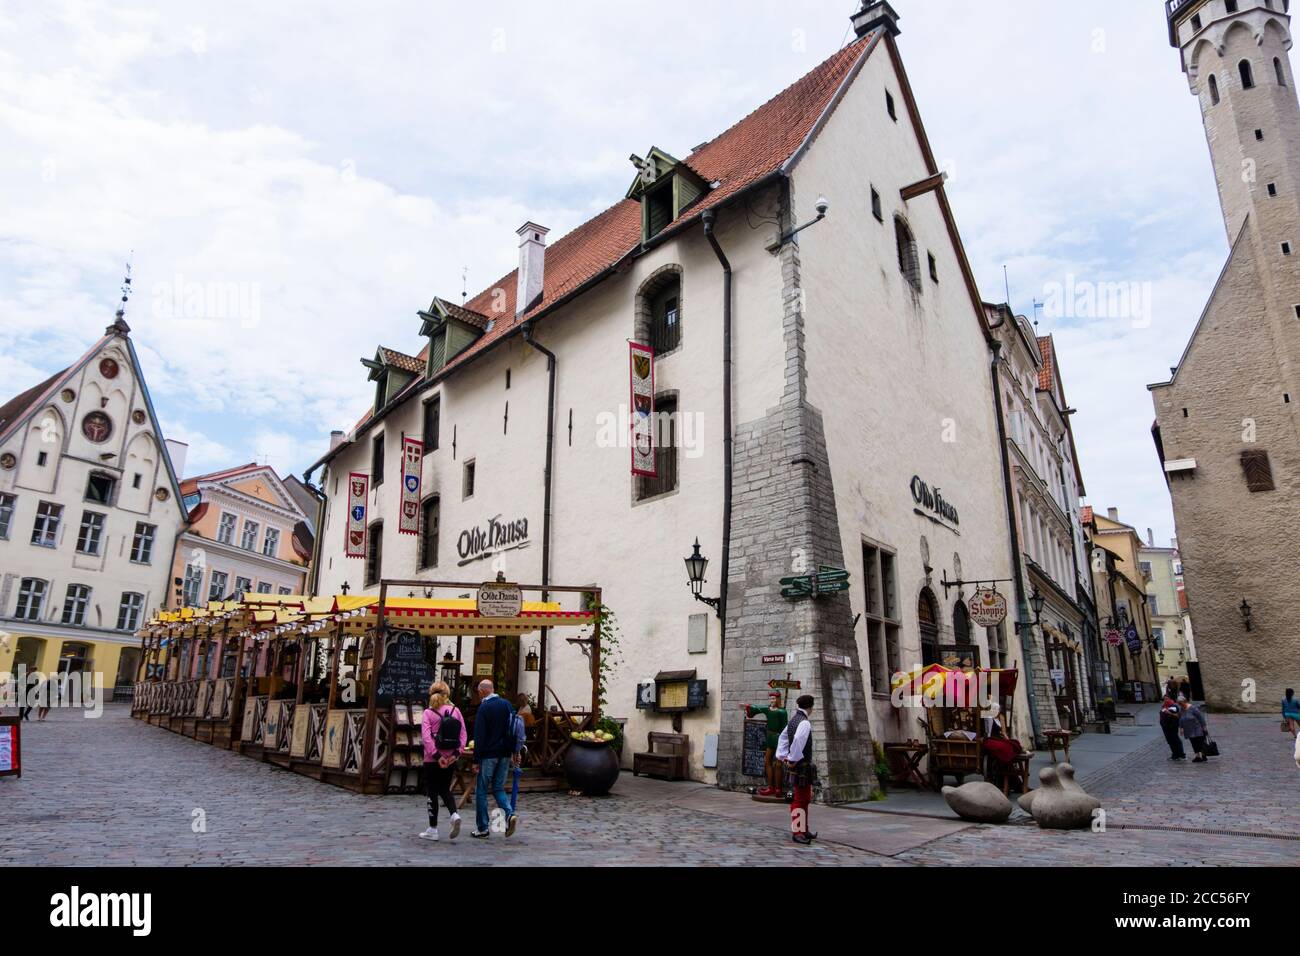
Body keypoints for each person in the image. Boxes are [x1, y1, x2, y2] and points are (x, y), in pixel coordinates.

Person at [470, 679, 520, 839]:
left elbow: (480, 735)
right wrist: (514, 751)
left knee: (481, 790)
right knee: (498, 788)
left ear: (482, 691)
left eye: (478, 692)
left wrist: (476, 759)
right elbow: (514, 729)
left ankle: (483, 828)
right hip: (505, 753)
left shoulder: (484, 708)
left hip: (488, 755)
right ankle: (509, 814)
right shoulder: (506, 705)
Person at [419, 681, 466, 842]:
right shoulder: (455, 711)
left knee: (432, 791)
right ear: (447, 694)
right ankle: (454, 814)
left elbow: (426, 737)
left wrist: (437, 756)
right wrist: (455, 754)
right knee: (445, 789)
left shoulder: (428, 712)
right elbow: (463, 735)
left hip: (432, 759)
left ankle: (433, 829)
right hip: (450, 757)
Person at [776, 694, 817, 846]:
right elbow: (798, 741)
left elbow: (783, 738)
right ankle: (797, 832)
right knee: (800, 799)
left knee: (804, 798)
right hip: (801, 765)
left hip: (798, 764)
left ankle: (804, 829)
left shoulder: (794, 719)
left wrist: (782, 756)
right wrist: (791, 759)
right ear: (810, 707)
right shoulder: (804, 722)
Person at [743, 692, 788, 797]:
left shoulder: (782, 712)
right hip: (770, 737)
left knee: (778, 764)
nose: (772, 700)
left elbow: (785, 728)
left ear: (778, 699)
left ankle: (778, 789)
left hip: (779, 738)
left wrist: (785, 742)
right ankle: (770, 787)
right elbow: (757, 708)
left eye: (773, 698)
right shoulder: (768, 709)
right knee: (767, 762)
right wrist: (749, 707)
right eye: (771, 698)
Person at [1178, 696, 1212, 763]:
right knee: (1193, 742)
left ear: (1185, 701)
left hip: (1197, 727)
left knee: (1200, 741)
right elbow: (1181, 719)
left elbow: (1200, 717)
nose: (1180, 705)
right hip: (1188, 729)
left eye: (1181, 703)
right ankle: (1197, 756)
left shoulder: (1193, 708)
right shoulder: (1181, 709)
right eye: (1179, 704)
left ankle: (1203, 755)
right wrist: (1181, 727)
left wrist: (1204, 726)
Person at [1159, 692, 1186, 760]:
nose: (1166, 700)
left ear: (1170, 699)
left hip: (1172, 726)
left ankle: (1181, 754)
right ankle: (1174, 755)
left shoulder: (1174, 706)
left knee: (1175, 740)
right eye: (1164, 699)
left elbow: (1178, 716)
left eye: (1167, 699)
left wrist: (1169, 713)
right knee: (1170, 741)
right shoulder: (1163, 706)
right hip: (1165, 727)